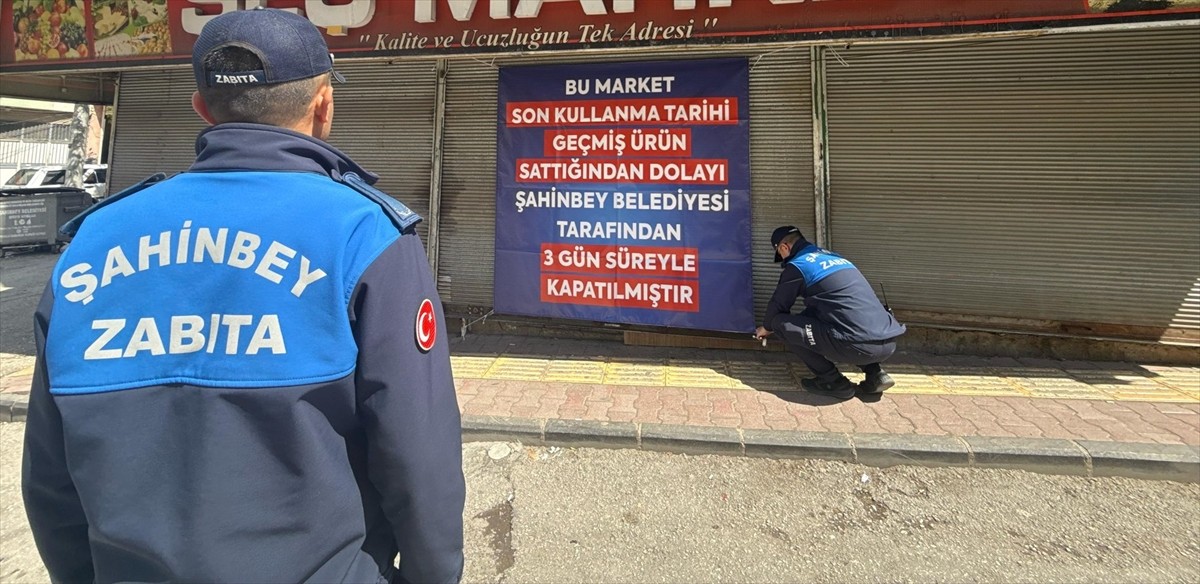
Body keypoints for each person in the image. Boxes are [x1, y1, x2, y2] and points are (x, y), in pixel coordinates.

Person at [22, 8, 465, 583]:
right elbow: (417, 451)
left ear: (201, 108)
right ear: (323, 104)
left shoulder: (94, 240)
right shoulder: (364, 235)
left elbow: (50, 472)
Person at [754, 226, 906, 400]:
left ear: (784, 248)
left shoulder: (799, 265)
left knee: (779, 323)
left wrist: (766, 327)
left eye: (780, 254)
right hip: (887, 341)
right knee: (844, 319)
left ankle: (834, 382)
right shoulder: (834, 257)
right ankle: (875, 374)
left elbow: (778, 305)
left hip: (857, 346)